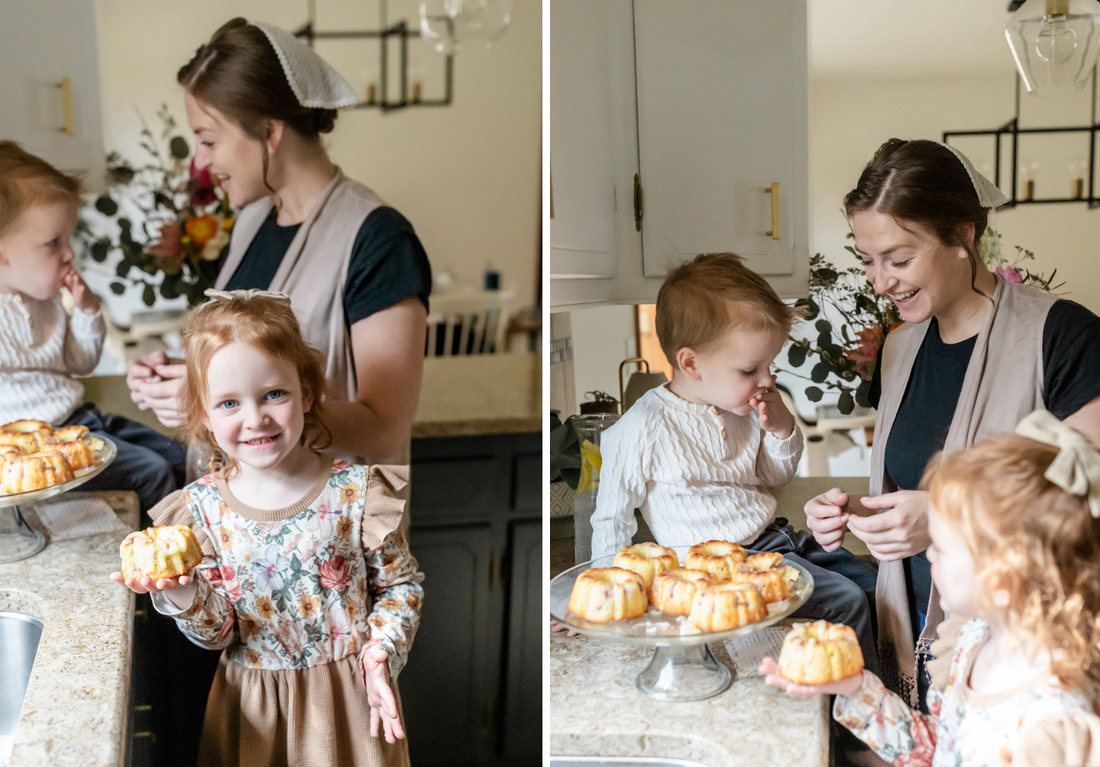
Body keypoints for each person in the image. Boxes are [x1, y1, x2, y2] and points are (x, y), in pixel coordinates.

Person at [803, 138, 1100, 706]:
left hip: (1025, 654)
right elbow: (909, 483)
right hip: (911, 627)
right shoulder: (898, 349)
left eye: (899, 258)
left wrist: (946, 516)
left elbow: (1089, 502)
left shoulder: (1063, 337)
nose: (881, 281)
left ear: (964, 234)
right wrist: (855, 515)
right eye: (868, 260)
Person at [111, 291, 423, 767]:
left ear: (308, 392)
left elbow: (400, 585)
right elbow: (218, 633)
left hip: (351, 704)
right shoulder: (201, 511)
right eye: (229, 403)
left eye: (274, 394)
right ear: (204, 417)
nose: (255, 417)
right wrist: (180, 593)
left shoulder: (357, 492)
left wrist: (381, 652)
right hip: (252, 710)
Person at [126, 18, 431, 469]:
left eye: (209, 140)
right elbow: (250, 358)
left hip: (328, 527)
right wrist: (183, 376)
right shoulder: (253, 220)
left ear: (270, 131)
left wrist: (221, 405)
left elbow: (385, 430)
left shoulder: (378, 239)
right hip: (236, 519)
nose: (201, 160)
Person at [589, 252, 880, 675]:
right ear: (691, 363)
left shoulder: (741, 407)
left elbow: (775, 477)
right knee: (846, 600)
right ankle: (856, 718)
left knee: (873, 583)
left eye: (769, 365)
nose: (767, 380)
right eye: (750, 368)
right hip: (722, 573)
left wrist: (781, 430)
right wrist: (605, 600)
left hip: (777, 541)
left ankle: (896, 698)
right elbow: (611, 518)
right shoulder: (642, 427)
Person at [764, 411, 1100, 767]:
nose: (930, 553)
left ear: (1003, 582)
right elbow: (939, 747)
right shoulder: (976, 640)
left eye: (942, 545)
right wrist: (854, 688)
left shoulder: (1052, 727)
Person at [0, 141, 184, 511]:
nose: (69, 253)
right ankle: (156, 556)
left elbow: (81, 362)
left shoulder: (48, 299)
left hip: (81, 421)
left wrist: (86, 312)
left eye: (67, 238)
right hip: (40, 449)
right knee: (151, 472)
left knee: (179, 455)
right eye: (53, 243)